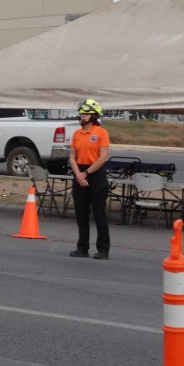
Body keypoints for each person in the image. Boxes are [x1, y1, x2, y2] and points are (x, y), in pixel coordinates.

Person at [69, 98, 112, 260]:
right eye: (82, 114)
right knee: (81, 213)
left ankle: (103, 249)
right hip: (79, 172)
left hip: (95, 174)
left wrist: (86, 173)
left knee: (99, 213)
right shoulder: (77, 134)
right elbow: (72, 156)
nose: (83, 116)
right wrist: (79, 175)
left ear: (94, 116)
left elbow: (103, 158)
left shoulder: (101, 133)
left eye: (87, 114)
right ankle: (82, 247)